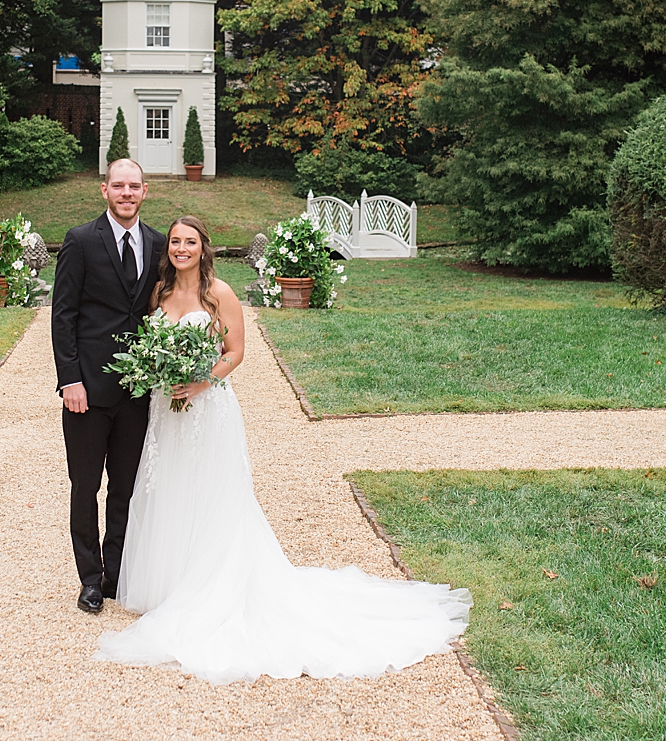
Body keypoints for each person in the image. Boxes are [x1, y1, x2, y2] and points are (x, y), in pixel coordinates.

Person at [94, 215, 472, 683]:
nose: (181, 249)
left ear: (204, 247)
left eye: (190, 242)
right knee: (168, 488)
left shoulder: (220, 294)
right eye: (174, 242)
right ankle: (170, 585)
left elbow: (235, 353)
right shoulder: (159, 294)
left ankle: (213, 587)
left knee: (211, 494)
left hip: (206, 409)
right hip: (164, 412)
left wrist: (200, 382)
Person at [50, 158, 166, 614]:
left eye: (134, 186)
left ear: (144, 191)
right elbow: (64, 317)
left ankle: (116, 573)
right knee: (85, 486)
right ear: (104, 191)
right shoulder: (80, 241)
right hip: (87, 393)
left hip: (138, 392)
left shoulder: (158, 243)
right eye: (118, 186)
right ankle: (90, 579)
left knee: (126, 487)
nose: (126, 193)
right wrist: (70, 380)